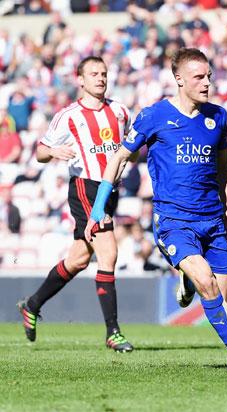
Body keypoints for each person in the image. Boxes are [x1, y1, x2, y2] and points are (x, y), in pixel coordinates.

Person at [84, 48, 227, 372]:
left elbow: (224, 167)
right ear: (179, 79)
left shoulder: (218, 116)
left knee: (224, 297)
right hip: (175, 220)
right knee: (207, 282)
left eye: (209, 77)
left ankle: (187, 281)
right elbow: (119, 158)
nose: (206, 83)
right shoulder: (154, 116)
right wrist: (97, 208)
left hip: (213, 220)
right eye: (198, 77)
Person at [17, 56, 134, 352]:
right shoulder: (68, 116)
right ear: (80, 80)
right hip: (86, 188)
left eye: (104, 73)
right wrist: (54, 151)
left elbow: (129, 147)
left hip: (111, 190)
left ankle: (31, 305)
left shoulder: (119, 111)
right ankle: (113, 332)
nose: (101, 78)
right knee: (108, 253)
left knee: (79, 260)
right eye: (94, 73)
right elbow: (40, 151)